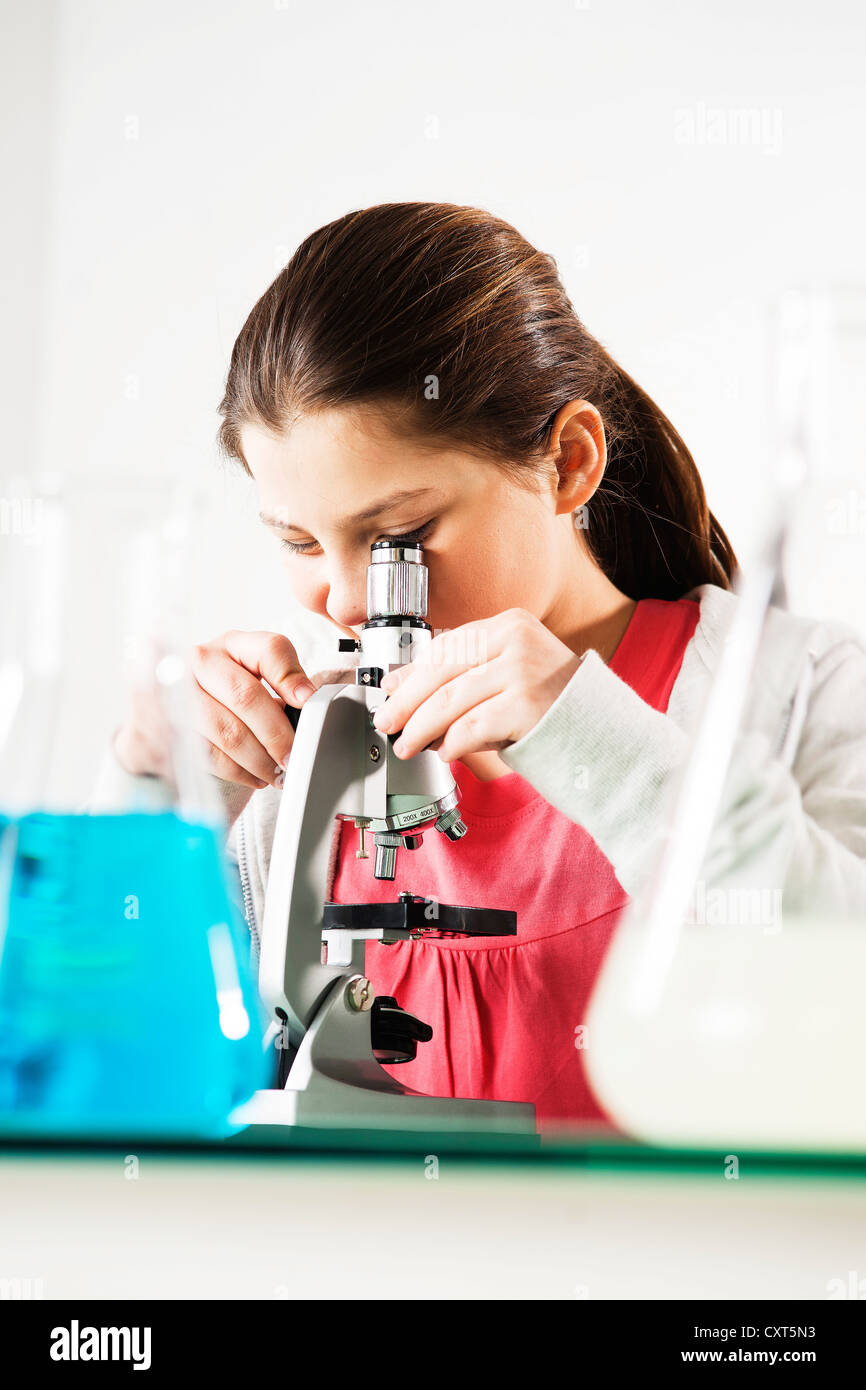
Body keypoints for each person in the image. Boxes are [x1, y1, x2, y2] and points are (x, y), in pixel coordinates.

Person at [105, 202, 866, 1132]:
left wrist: (601, 744)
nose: (346, 605)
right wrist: (157, 799)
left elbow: (838, 1034)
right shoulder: (292, 788)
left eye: (401, 537)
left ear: (569, 462)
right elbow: (104, 1070)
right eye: (301, 543)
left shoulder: (808, 688)